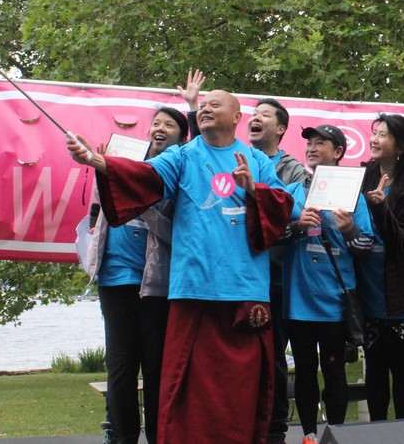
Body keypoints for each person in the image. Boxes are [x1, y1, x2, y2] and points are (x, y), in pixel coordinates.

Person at [67, 90, 293, 444]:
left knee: (241, 391)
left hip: (244, 289)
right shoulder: (183, 155)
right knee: (187, 390)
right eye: (203, 106)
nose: (205, 109)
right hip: (193, 288)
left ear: (237, 117)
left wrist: (254, 189)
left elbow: (283, 206)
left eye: (215, 104)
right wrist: (99, 162)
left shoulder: (257, 160)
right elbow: (145, 175)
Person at [178, 71, 305, 443]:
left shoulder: (283, 167)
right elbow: (198, 152)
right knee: (204, 373)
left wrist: (255, 190)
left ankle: (273, 430)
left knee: (267, 361)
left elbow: (293, 209)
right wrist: (192, 107)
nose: (257, 118)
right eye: (255, 113)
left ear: (280, 129)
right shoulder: (213, 155)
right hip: (209, 281)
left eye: (266, 114)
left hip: (267, 275)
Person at [85, 107, 188, 444]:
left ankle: (161, 436)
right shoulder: (124, 162)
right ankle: (122, 436)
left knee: (156, 365)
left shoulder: (179, 175)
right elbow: (100, 211)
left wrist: (141, 203)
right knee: (121, 364)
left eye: (169, 125)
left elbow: (178, 234)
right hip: (114, 278)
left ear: (181, 138)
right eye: (156, 123)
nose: (160, 128)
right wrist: (105, 173)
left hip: (155, 285)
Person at [284, 125, 373, 443]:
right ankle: (308, 436)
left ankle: (335, 434)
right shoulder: (293, 192)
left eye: (320, 143)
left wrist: (349, 230)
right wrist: (298, 226)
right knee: (305, 371)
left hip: (335, 301)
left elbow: (366, 247)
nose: (311, 147)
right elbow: (273, 236)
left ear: (338, 152)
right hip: (299, 301)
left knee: (335, 371)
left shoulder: (353, 195)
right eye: (309, 143)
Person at [356, 113, 404, 421]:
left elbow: (402, 242)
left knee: (399, 362)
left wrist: (381, 208)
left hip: (399, 293)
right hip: (366, 287)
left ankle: (403, 428)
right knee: (373, 364)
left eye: (383, 135)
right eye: (375, 133)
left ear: (400, 147)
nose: (374, 139)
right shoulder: (360, 178)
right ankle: (376, 429)